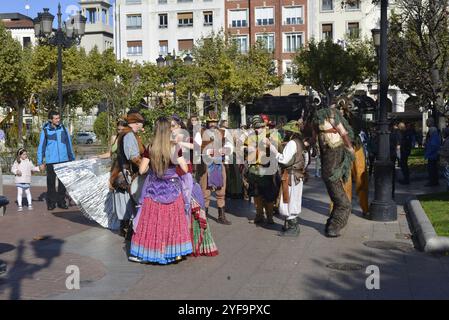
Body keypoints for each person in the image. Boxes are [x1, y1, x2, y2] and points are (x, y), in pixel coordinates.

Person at [129, 117, 193, 264]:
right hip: (172, 190)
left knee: (153, 221)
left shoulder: (151, 147)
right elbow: (184, 168)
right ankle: (174, 252)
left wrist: (153, 168)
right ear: (168, 130)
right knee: (172, 221)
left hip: (153, 189)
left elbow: (142, 170)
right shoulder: (174, 148)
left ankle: (150, 250)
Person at [313, 100, 355, 238]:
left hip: (329, 172)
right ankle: (333, 228)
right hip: (333, 174)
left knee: (338, 202)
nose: (340, 111)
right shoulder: (331, 114)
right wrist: (350, 148)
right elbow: (343, 132)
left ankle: (330, 225)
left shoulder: (317, 121)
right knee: (344, 204)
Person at [267, 120, 307, 237]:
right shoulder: (300, 142)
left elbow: (284, 159)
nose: (285, 133)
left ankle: (294, 228)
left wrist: (273, 150)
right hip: (298, 175)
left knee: (288, 200)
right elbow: (306, 159)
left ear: (291, 132)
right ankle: (290, 226)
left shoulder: (292, 143)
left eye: (287, 131)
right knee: (292, 199)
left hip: (291, 176)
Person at [110, 111, 145, 237]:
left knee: (128, 200)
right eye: (141, 123)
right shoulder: (129, 135)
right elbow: (133, 156)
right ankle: (127, 231)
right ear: (137, 123)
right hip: (126, 172)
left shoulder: (127, 133)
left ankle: (127, 229)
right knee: (128, 201)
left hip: (124, 171)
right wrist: (145, 167)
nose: (142, 126)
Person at [195, 111, 234, 225]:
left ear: (217, 122)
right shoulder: (200, 132)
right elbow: (196, 148)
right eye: (210, 122)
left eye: (214, 122)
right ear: (207, 122)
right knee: (205, 191)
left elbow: (230, 145)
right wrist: (207, 152)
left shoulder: (223, 132)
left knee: (221, 190)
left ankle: (221, 216)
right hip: (205, 165)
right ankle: (204, 216)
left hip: (218, 164)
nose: (212, 124)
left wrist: (225, 150)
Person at [37, 110, 75, 211]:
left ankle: (61, 202)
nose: (58, 120)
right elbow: (41, 147)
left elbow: (69, 145)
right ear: (51, 119)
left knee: (63, 183)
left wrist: (72, 159)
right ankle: (51, 203)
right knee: (51, 183)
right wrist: (40, 162)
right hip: (51, 161)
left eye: (59, 118)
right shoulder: (45, 131)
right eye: (56, 118)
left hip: (64, 160)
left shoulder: (64, 129)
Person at [246, 115, 280, 225]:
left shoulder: (272, 134)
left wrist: (270, 144)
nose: (257, 130)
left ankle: (270, 217)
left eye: (259, 127)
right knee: (256, 194)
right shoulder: (251, 136)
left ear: (263, 126)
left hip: (267, 169)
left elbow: (279, 150)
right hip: (254, 169)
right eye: (255, 128)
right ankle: (259, 215)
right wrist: (246, 149)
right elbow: (244, 148)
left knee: (269, 194)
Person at [338, 99, 369, 216]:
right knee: (345, 180)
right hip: (345, 149)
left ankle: (363, 208)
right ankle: (345, 208)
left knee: (360, 179)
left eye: (342, 108)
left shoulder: (355, 120)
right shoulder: (338, 120)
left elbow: (359, 128)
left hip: (355, 149)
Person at [424, 118, 441, 186]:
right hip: (433, 153)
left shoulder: (433, 130)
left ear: (431, 122)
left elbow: (434, 143)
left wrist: (429, 150)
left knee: (432, 168)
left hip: (432, 153)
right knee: (433, 168)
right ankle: (434, 181)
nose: (426, 123)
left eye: (427, 122)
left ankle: (433, 181)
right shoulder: (433, 130)